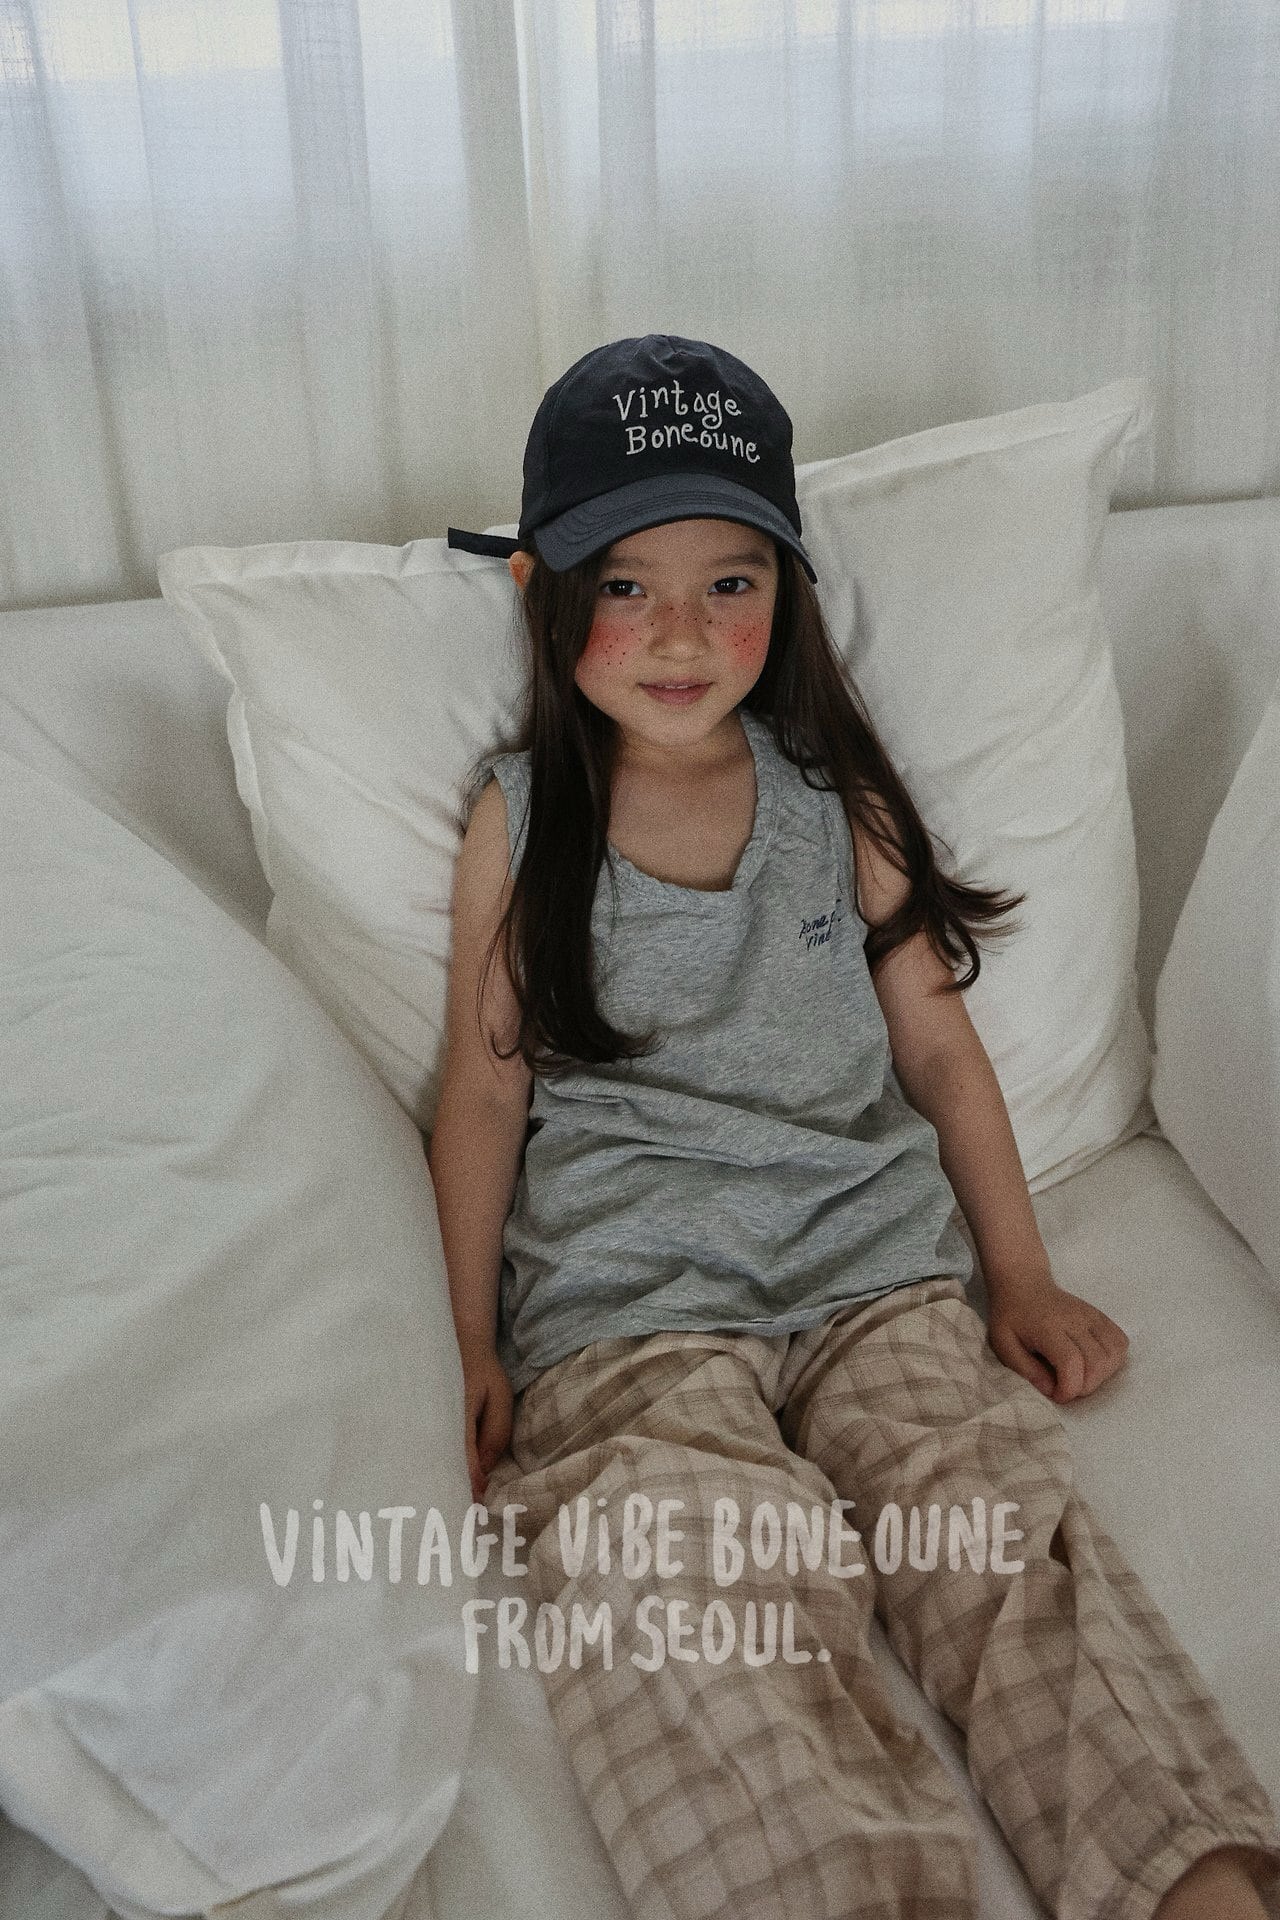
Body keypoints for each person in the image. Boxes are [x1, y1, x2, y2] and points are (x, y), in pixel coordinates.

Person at [434, 335, 1280, 1920]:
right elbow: (484, 1089)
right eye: (626, 585)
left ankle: (1192, 1886)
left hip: (869, 1275)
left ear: (788, 591)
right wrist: (466, 1340)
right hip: (629, 1307)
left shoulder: (837, 799)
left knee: (992, 1525)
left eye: (730, 582)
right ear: (545, 598)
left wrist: (1019, 1277)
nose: (680, 631)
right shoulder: (524, 818)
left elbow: (940, 1054)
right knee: (678, 1565)